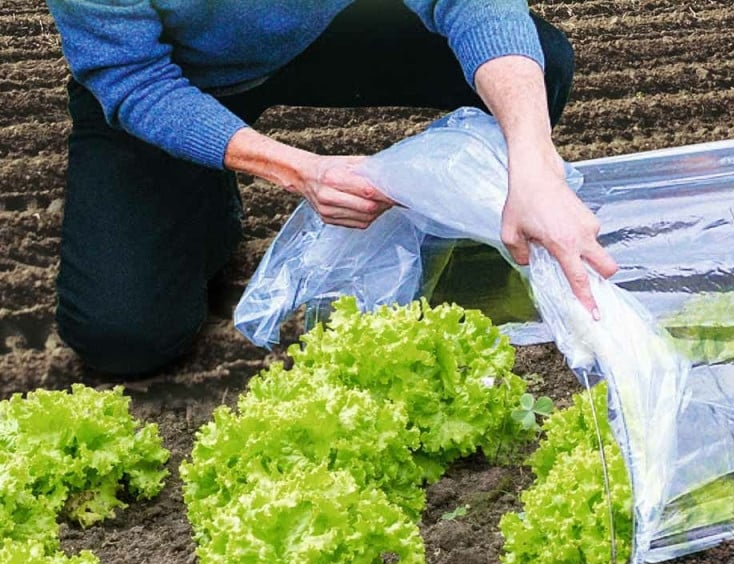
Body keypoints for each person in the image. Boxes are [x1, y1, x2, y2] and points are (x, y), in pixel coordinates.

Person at [45, 0, 618, 378]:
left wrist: (532, 160)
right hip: (175, 76)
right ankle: (206, 191)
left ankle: (475, 236)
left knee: (536, 63)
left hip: (313, 32)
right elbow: (131, 76)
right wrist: (299, 169)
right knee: (123, 335)